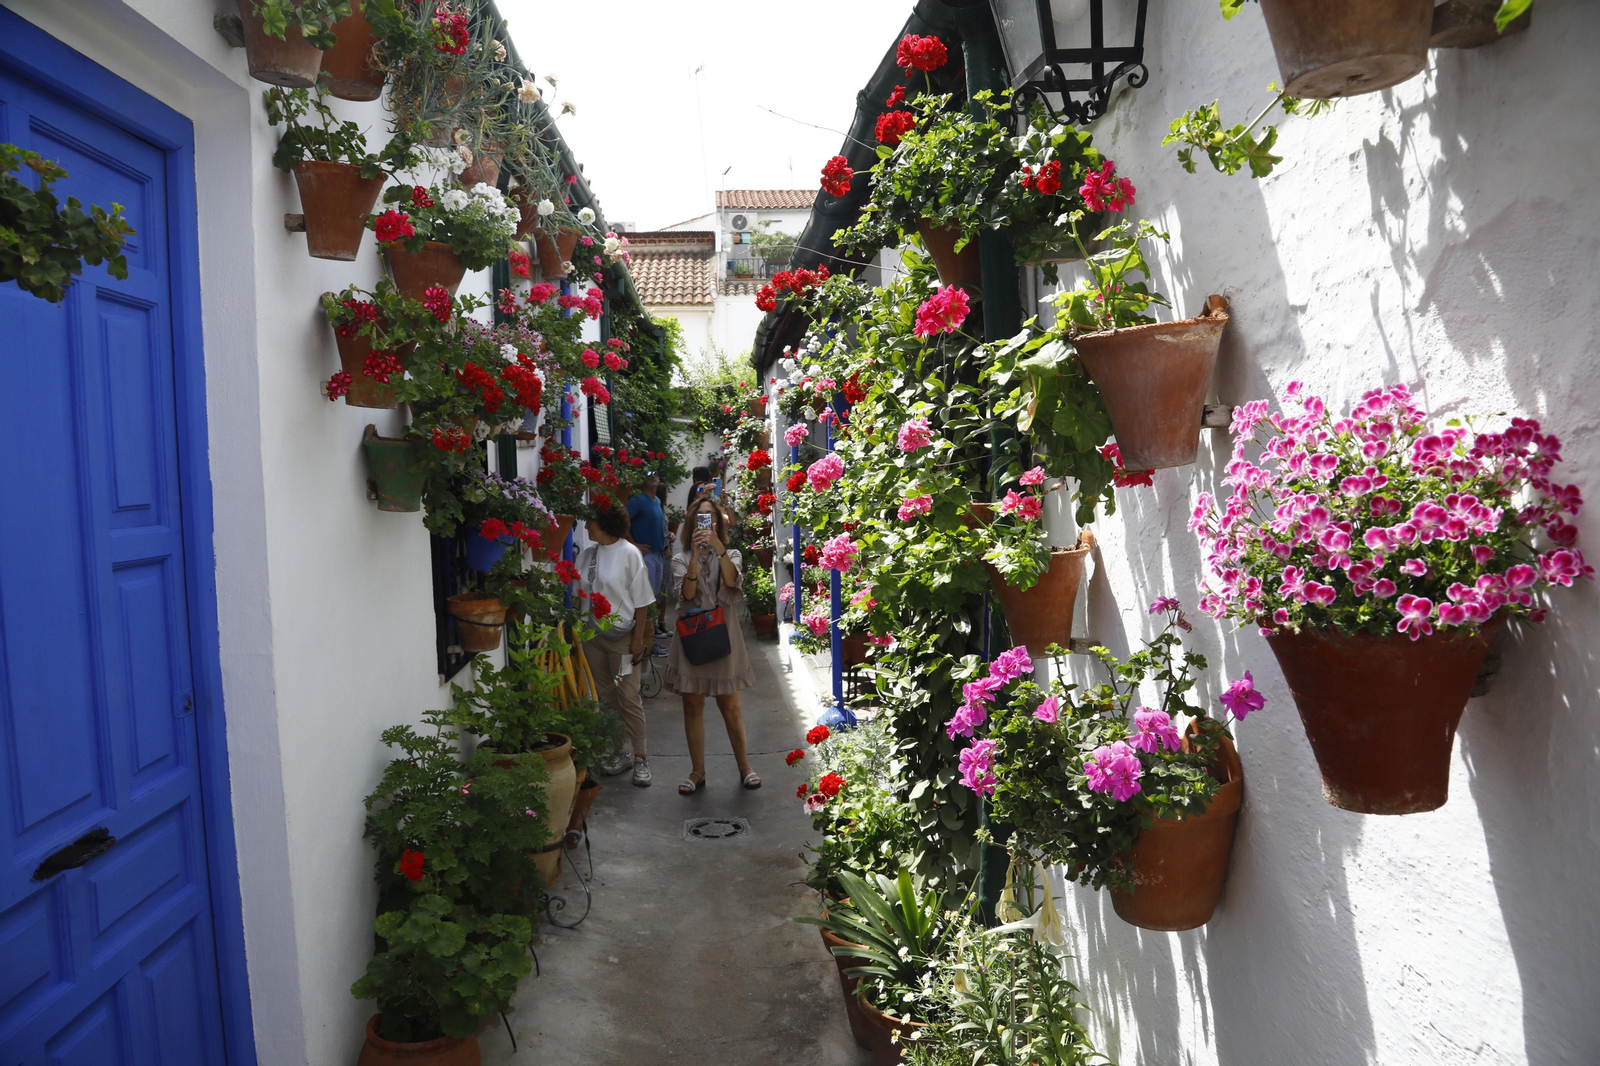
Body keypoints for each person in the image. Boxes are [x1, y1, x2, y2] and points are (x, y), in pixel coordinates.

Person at [665, 496, 758, 794]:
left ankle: (745, 767)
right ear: (692, 525)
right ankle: (698, 771)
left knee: (730, 706)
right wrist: (694, 555)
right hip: (692, 637)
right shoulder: (679, 558)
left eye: (711, 517)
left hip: (724, 636)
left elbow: (732, 583)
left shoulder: (732, 553)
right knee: (692, 705)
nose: (706, 523)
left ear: (718, 523)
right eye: (700, 518)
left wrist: (717, 548)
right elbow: (688, 593)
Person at [575, 506, 656, 787]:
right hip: (592, 639)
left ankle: (641, 758)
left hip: (622, 640)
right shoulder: (587, 555)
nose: (586, 528)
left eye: (590, 523)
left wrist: (639, 640)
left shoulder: (629, 553)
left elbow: (643, 600)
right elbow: (577, 596)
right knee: (605, 697)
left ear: (605, 523)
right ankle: (619, 752)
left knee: (628, 696)